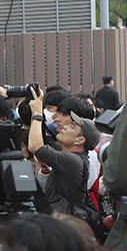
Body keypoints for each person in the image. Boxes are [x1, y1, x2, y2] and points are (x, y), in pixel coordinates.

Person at [27, 86, 100, 222]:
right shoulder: (72, 157)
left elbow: (35, 146)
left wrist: (37, 114)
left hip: (60, 222)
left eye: (72, 126)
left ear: (79, 140)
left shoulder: (73, 160)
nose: (63, 125)